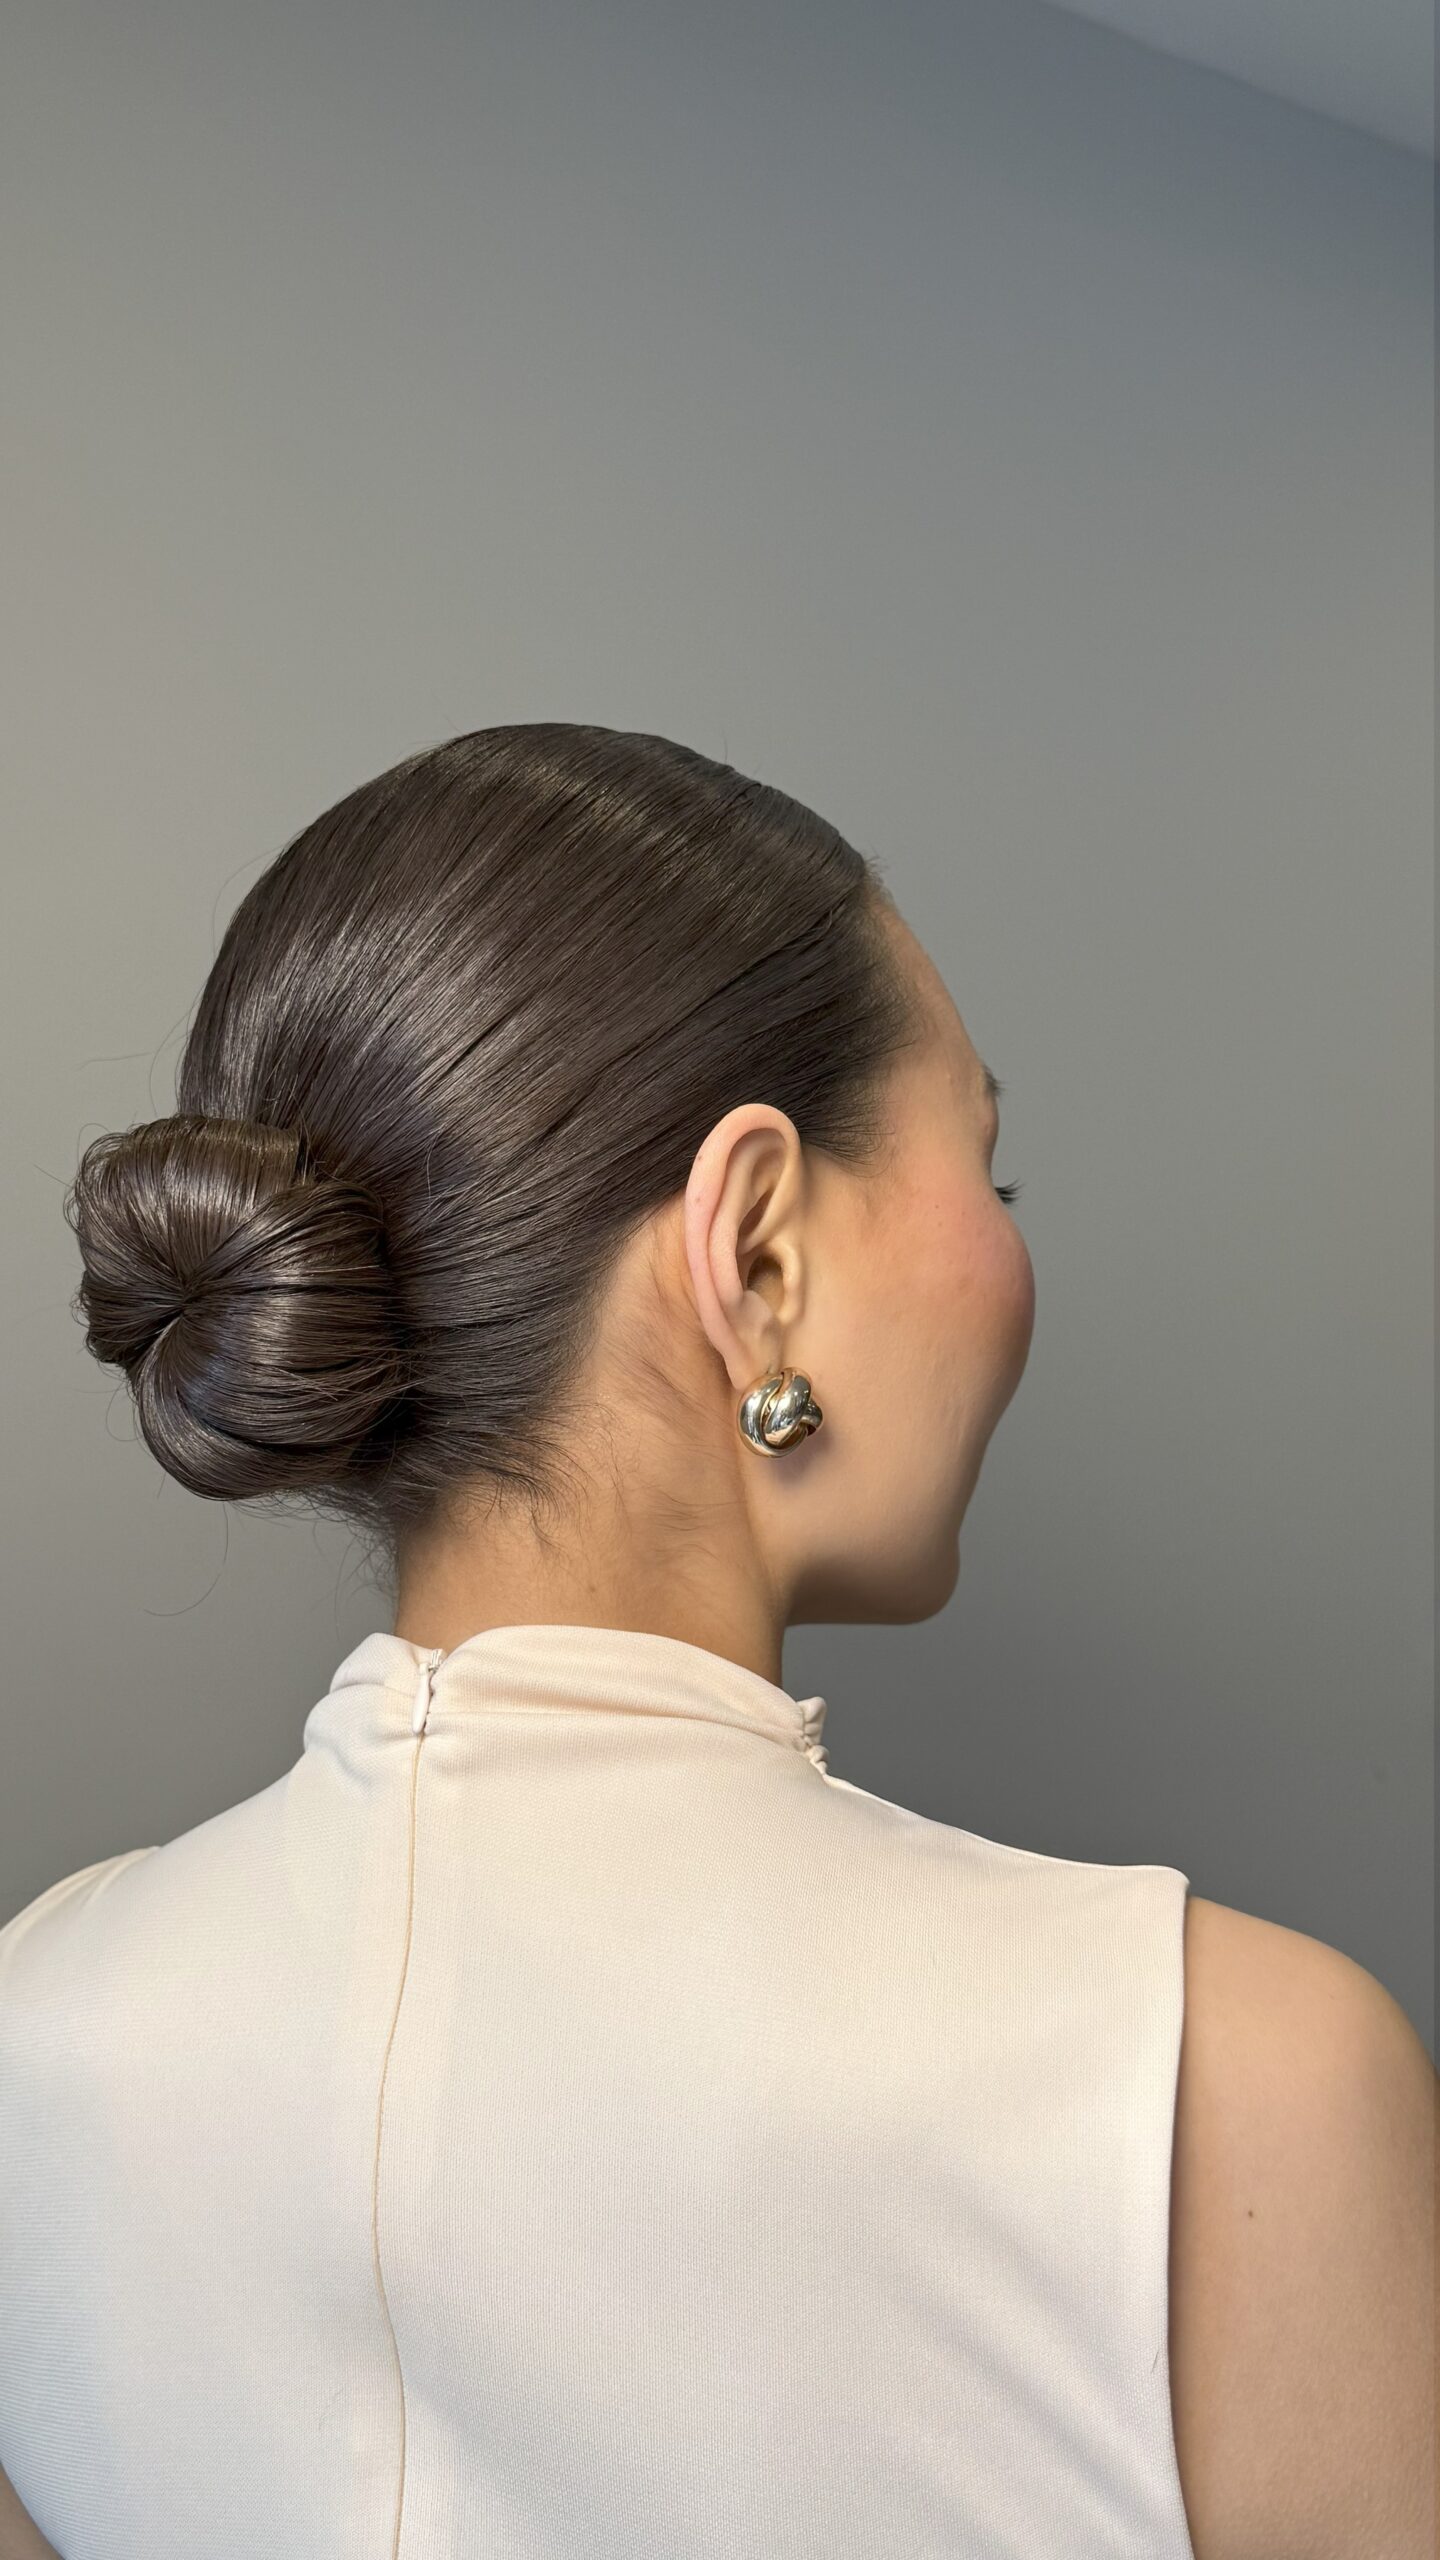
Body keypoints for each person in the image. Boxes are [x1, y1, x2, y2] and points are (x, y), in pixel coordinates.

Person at [0, 725, 1432, 2559]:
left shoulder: (41, 2033)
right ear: (754, 1252)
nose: (1008, 1262)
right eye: (988, 1176)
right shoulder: (1223, 2087)